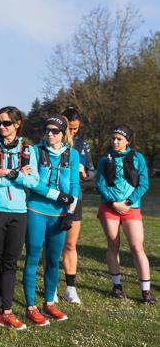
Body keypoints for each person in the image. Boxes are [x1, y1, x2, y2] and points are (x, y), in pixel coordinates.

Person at [0, 106, 38, 330]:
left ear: (17, 124)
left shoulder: (28, 149)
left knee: (10, 263)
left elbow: (34, 182)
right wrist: (16, 174)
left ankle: (7, 311)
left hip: (18, 212)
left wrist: (4, 173)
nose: (2, 127)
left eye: (6, 123)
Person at [23, 115, 79, 326]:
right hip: (36, 210)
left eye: (55, 131)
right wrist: (58, 196)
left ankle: (49, 302)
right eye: (47, 130)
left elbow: (74, 185)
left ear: (63, 133)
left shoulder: (71, 154)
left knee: (54, 260)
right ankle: (30, 306)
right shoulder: (35, 150)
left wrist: (71, 211)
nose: (50, 134)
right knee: (33, 256)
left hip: (60, 215)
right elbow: (33, 183)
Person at [95, 124, 155, 305]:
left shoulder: (138, 158)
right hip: (110, 206)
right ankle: (117, 286)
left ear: (128, 141)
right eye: (113, 138)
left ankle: (146, 291)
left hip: (131, 207)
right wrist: (114, 203)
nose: (115, 142)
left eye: (119, 139)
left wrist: (128, 203)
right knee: (113, 245)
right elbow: (100, 184)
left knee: (137, 246)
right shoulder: (105, 159)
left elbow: (143, 184)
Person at [59, 106, 95, 304]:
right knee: (52, 245)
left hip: (75, 200)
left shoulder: (82, 145)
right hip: (53, 199)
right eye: (69, 128)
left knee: (70, 244)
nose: (72, 132)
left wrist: (84, 174)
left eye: (75, 129)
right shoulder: (50, 140)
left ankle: (70, 288)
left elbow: (91, 172)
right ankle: (51, 288)